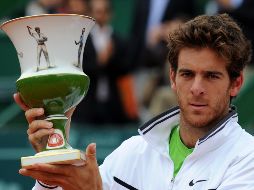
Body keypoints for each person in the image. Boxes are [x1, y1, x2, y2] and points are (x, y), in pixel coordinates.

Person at [15, 13, 254, 189]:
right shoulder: (133, 152)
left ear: (236, 83)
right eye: (187, 74)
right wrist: (52, 175)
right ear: (172, 78)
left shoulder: (247, 159)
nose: (197, 88)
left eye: (211, 76)